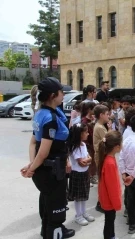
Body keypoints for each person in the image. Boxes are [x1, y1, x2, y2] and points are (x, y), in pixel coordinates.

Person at [20, 77, 75, 238]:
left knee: (47, 201)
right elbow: (43, 151)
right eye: (61, 92)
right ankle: (54, 232)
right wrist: (31, 168)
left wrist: (32, 165)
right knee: (56, 207)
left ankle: (47, 230)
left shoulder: (42, 113)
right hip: (51, 171)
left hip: (46, 169)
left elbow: (33, 143)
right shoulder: (49, 118)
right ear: (52, 95)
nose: (63, 95)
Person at [67, 123, 95, 226]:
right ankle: (78, 215)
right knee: (78, 196)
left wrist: (87, 160)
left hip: (84, 173)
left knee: (84, 194)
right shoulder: (75, 148)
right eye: (86, 132)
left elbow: (89, 158)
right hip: (77, 174)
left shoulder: (83, 145)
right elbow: (81, 163)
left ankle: (84, 212)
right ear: (80, 134)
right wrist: (87, 160)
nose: (88, 134)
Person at [98, 131, 123, 239]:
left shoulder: (108, 158)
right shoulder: (110, 163)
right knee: (109, 221)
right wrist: (117, 203)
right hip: (109, 200)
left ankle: (111, 236)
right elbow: (111, 187)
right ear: (117, 147)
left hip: (107, 198)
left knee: (109, 221)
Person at [93, 104, 110, 212]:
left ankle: (102, 201)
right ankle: (101, 202)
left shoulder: (101, 126)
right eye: (107, 114)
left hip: (101, 155)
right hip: (101, 156)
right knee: (103, 180)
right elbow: (108, 140)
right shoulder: (99, 127)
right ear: (101, 115)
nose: (109, 116)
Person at [81, 102, 97, 185]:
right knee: (88, 162)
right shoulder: (84, 121)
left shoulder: (91, 119)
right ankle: (89, 177)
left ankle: (92, 176)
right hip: (87, 144)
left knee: (93, 161)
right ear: (89, 109)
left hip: (92, 143)